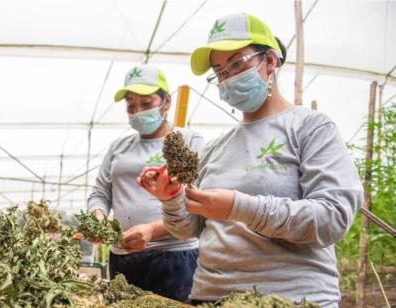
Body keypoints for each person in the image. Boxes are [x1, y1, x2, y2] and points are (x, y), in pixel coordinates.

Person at [138, 13, 363, 307]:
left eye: (237, 64)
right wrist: (171, 200)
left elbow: (333, 217)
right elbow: (190, 229)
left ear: (270, 61)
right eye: (220, 72)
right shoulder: (215, 148)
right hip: (210, 296)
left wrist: (238, 207)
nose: (228, 78)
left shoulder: (310, 128)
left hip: (290, 298)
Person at [87, 64, 204, 302]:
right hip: (122, 257)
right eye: (131, 105)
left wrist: (152, 230)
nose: (137, 110)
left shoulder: (188, 141)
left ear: (166, 102)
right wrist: (98, 219)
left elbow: (198, 202)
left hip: (173, 258)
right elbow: (100, 192)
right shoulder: (118, 148)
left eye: (146, 103)